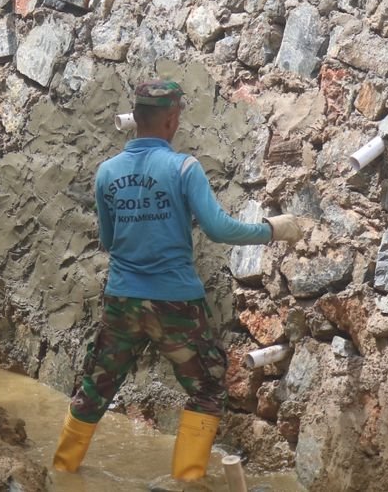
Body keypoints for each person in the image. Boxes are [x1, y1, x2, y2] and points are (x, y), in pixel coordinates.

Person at [51, 80, 307, 484]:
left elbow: (107, 239)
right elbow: (219, 229)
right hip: (175, 305)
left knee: (96, 386)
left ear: (135, 118)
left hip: (122, 301)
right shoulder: (183, 168)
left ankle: (61, 471)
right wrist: (273, 230)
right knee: (206, 388)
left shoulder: (106, 173)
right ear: (171, 120)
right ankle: (187, 481)